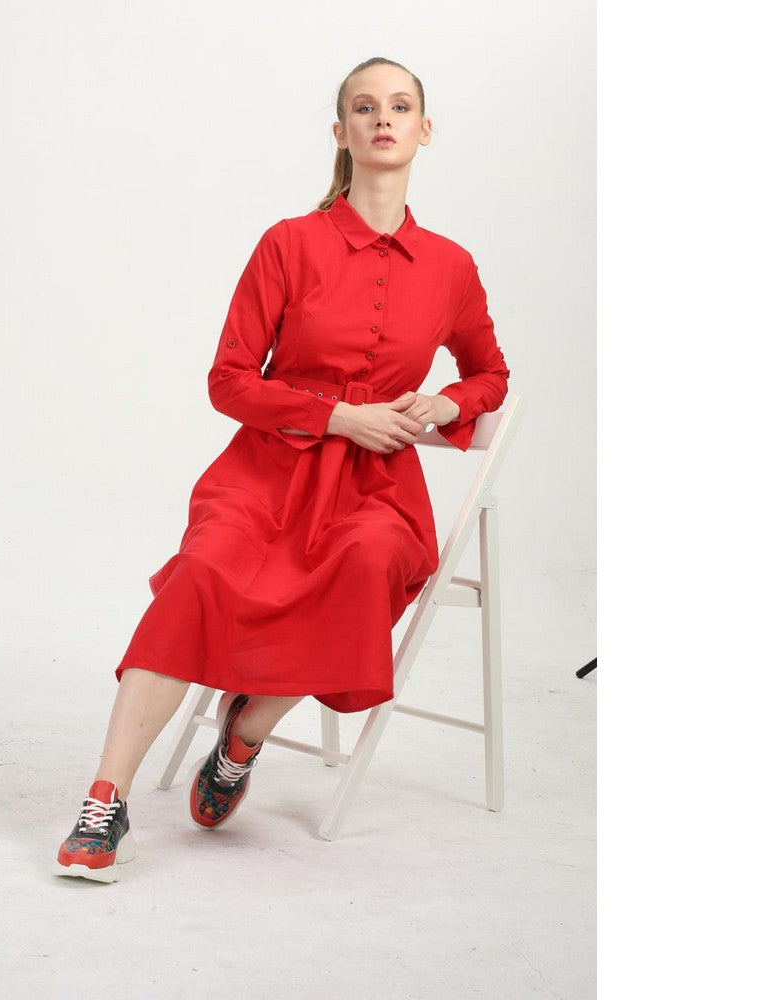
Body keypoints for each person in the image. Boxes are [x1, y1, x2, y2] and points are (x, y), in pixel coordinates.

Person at [54, 56, 511, 882]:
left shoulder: (451, 266)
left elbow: (490, 374)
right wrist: (336, 416)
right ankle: (105, 796)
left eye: (399, 106)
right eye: (364, 107)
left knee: (363, 566)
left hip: (375, 492)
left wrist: (448, 402)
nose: (382, 118)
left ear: (424, 130)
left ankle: (244, 736)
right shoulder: (289, 243)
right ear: (340, 131)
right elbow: (228, 381)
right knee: (200, 576)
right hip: (263, 476)